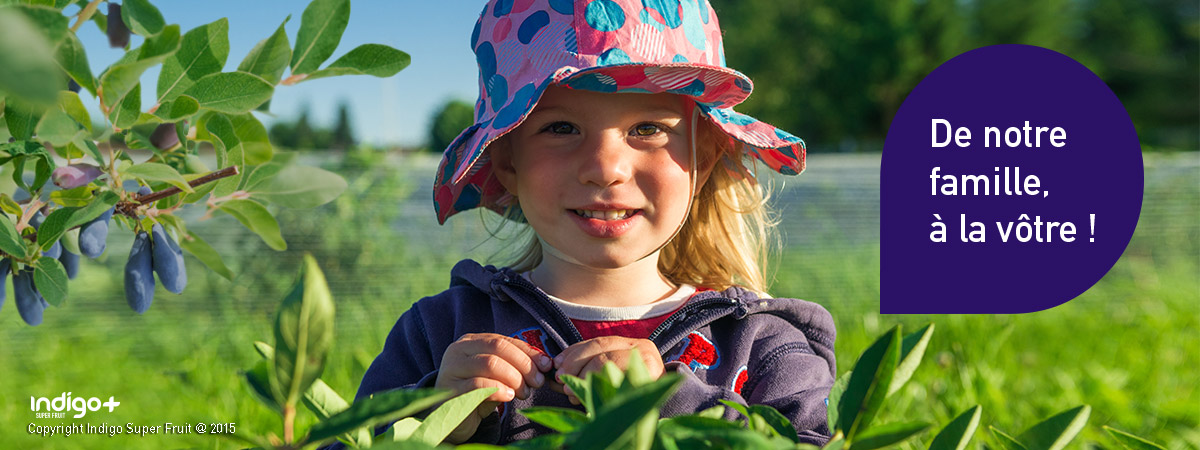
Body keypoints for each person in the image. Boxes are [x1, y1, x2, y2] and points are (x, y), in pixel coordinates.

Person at [354, 0, 836, 445]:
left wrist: (671, 404)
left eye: (647, 129)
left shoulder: (757, 345)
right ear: (507, 163)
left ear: (703, 157)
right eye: (560, 128)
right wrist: (426, 417)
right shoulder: (440, 333)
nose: (606, 168)